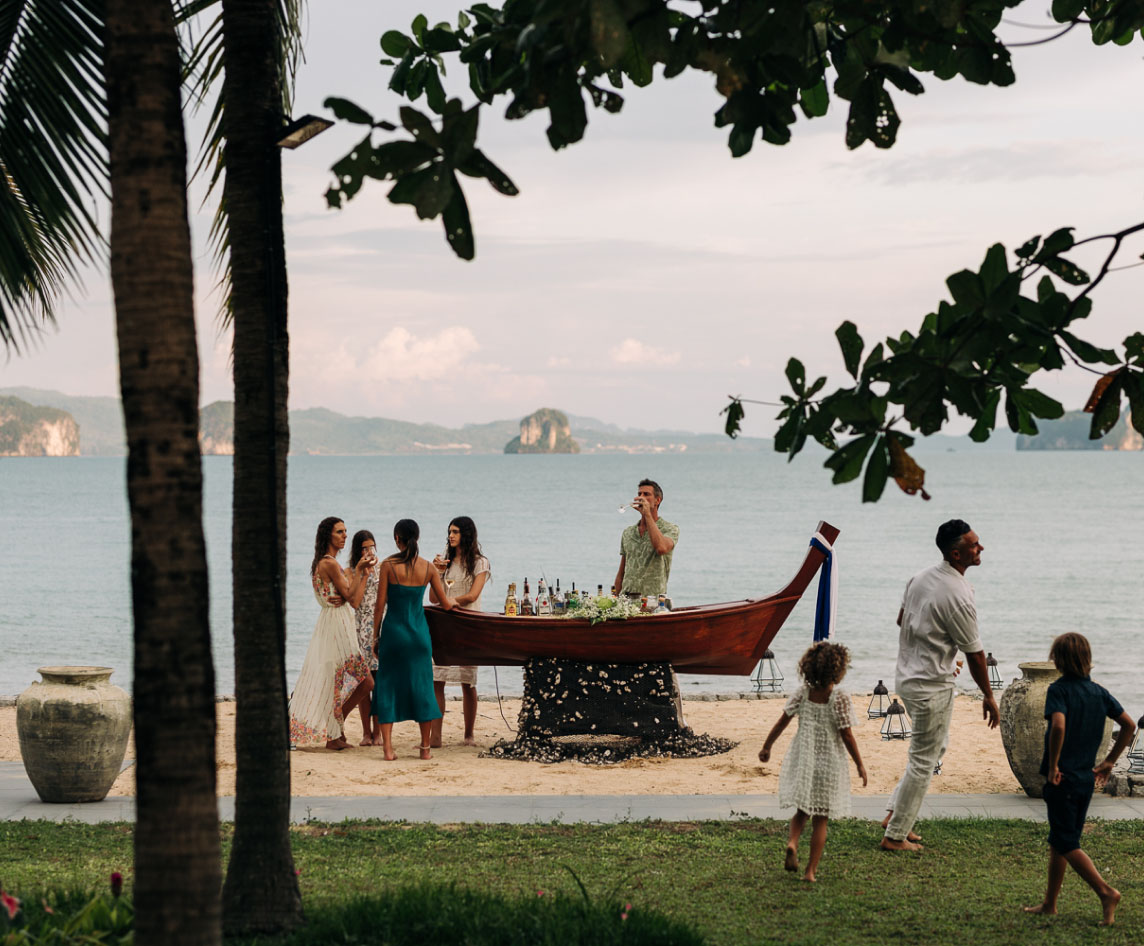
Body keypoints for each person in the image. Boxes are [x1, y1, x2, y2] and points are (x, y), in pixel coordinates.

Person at [881, 519, 1000, 850]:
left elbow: (901, 619)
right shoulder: (958, 595)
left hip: (909, 678)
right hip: (930, 686)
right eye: (975, 545)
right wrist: (989, 697)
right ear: (956, 553)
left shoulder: (920, 579)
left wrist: (933, 640)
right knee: (925, 759)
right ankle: (895, 836)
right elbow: (975, 654)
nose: (981, 548)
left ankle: (896, 814)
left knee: (933, 750)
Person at [1023, 633, 1135, 926]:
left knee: (1066, 841)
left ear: (1057, 660)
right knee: (1060, 839)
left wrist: (1054, 765)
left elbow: (1058, 725)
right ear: (1087, 660)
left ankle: (1106, 892)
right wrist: (1109, 762)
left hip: (1063, 779)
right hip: (1085, 779)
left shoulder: (1059, 690)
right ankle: (1050, 903)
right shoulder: (1099, 692)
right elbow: (1129, 725)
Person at [758, 641, 867, 883]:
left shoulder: (802, 694)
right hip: (829, 764)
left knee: (802, 810)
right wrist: (859, 764)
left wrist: (767, 746)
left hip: (804, 759)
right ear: (837, 672)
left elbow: (782, 722)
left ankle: (793, 842)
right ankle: (810, 872)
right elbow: (846, 735)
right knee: (821, 820)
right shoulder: (839, 698)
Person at [372, 519, 456, 760]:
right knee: (422, 688)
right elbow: (445, 603)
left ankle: (388, 749)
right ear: (416, 538)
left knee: (387, 686)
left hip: (394, 634)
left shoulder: (388, 564)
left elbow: (379, 606)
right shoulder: (429, 568)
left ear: (397, 538)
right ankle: (425, 749)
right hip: (419, 636)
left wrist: (375, 637)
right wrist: (462, 603)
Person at [289, 517, 375, 750]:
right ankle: (333, 733)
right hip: (337, 626)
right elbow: (353, 598)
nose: (345, 535)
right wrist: (359, 571)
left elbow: (352, 599)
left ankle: (334, 733)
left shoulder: (326, 563)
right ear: (328, 535)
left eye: (346, 531)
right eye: (339, 532)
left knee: (345, 681)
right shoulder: (329, 564)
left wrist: (360, 574)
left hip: (335, 622)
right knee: (364, 681)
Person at [428, 516, 490, 748]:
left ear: (466, 534)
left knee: (468, 682)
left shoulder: (480, 563)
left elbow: (473, 596)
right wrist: (435, 572)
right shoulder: (445, 562)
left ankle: (469, 734)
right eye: (449, 532)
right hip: (444, 627)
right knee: (438, 679)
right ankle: (435, 736)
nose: (451, 536)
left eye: (455, 532)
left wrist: (449, 600)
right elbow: (433, 598)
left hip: (468, 625)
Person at [613, 478, 678, 599]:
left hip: (652, 601)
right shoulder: (628, 533)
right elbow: (622, 572)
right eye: (639, 494)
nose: (640, 498)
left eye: (646, 494)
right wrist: (615, 599)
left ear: (657, 500)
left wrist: (647, 514)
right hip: (626, 602)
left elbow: (661, 548)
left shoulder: (670, 529)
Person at [348, 530, 380, 746]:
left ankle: (378, 732)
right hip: (360, 627)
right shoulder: (351, 571)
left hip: (379, 625)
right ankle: (365, 733)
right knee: (363, 681)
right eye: (364, 548)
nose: (369, 552)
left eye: (372, 547)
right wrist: (363, 573)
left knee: (379, 682)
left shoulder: (382, 568)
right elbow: (355, 602)